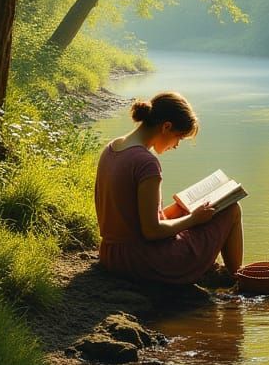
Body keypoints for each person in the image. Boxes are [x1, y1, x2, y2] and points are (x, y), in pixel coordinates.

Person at [94, 91, 243, 286]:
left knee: (186, 209)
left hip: (111, 253)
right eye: (179, 137)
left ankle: (227, 275)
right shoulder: (146, 163)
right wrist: (193, 219)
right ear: (166, 127)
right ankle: (237, 279)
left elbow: (131, 218)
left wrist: (180, 210)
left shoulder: (113, 147)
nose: (176, 145)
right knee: (231, 209)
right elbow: (152, 231)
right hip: (141, 261)